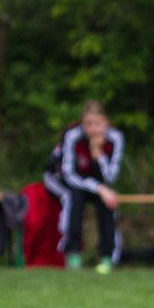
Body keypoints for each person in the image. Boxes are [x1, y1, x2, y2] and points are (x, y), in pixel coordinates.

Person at [44, 101, 124, 273]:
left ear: (106, 122)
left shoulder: (115, 138)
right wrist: (99, 189)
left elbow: (111, 176)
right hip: (70, 180)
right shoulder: (73, 136)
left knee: (108, 201)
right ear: (82, 124)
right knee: (74, 197)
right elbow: (68, 173)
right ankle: (72, 252)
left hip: (97, 183)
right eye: (88, 124)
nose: (93, 129)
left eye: (98, 124)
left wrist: (98, 155)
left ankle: (107, 256)